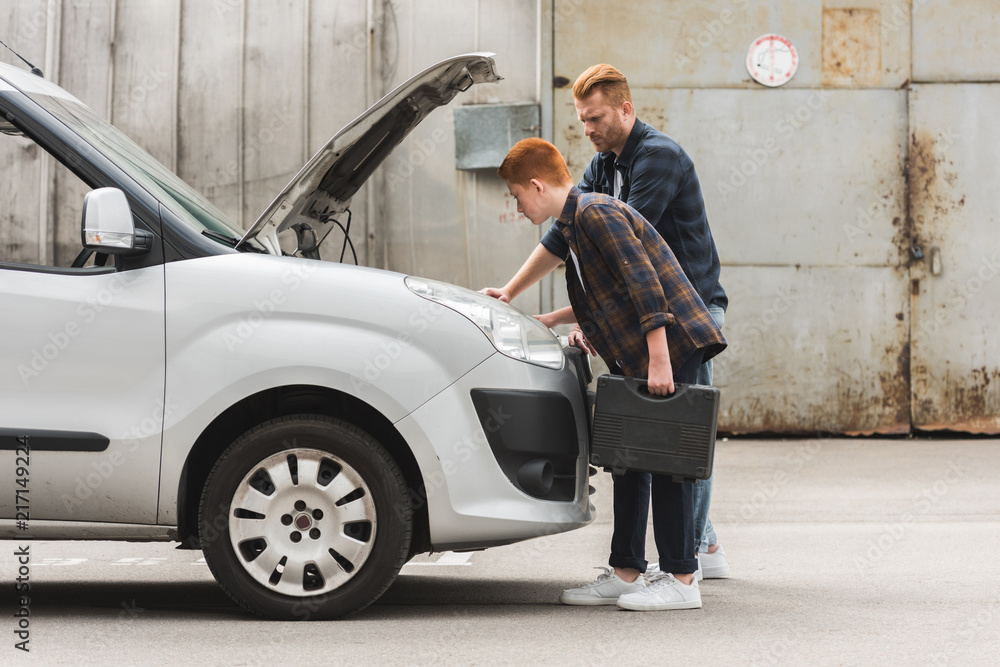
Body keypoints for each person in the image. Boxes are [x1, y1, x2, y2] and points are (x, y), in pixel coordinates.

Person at [482, 64, 730, 578]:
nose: (588, 130)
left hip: (685, 310)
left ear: (626, 108)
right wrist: (511, 292)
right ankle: (640, 565)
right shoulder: (601, 166)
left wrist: (611, 333)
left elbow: (628, 263)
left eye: (595, 119)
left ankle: (694, 558)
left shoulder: (657, 158)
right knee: (644, 445)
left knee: (679, 436)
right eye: (582, 121)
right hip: (641, 314)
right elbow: (566, 238)